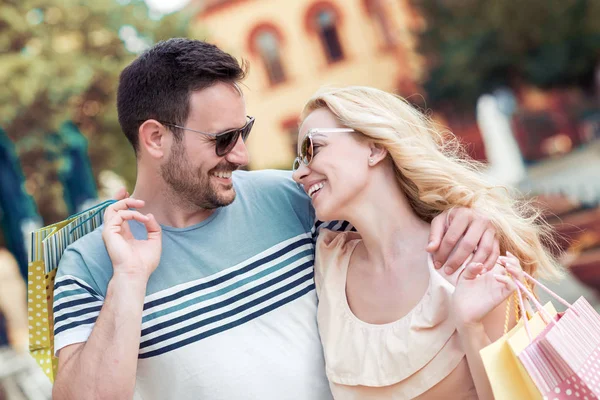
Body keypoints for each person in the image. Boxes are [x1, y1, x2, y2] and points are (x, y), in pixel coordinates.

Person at [51, 39, 500, 400]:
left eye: (242, 132)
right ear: (155, 139)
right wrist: (129, 280)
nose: (242, 155)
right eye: (223, 139)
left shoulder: (295, 199)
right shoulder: (89, 263)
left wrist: (468, 220)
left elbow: (396, 224)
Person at [291, 86, 563, 400]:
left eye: (312, 149)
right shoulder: (328, 261)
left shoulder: (467, 251)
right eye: (297, 160)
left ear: (375, 147)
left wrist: (470, 327)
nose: (299, 173)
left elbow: (518, 394)